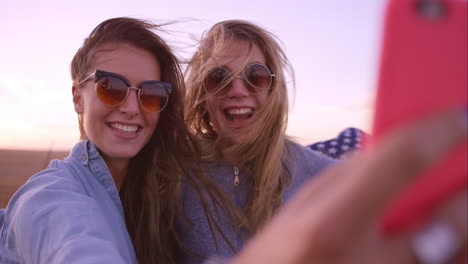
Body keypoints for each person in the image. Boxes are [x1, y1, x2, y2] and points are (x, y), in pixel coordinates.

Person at [180, 19, 468, 263]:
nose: (238, 90)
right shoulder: (172, 178)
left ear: (274, 89)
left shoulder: (327, 181)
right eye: (218, 78)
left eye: (255, 76)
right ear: (202, 94)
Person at [0, 17, 231, 264]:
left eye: (150, 93)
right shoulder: (49, 196)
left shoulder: (156, 194)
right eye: (111, 87)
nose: (132, 108)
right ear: (78, 97)